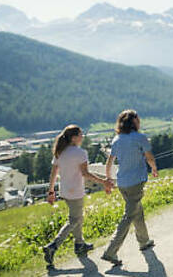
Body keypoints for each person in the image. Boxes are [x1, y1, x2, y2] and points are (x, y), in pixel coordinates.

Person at [42, 125, 114, 268]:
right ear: (74, 137)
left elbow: (54, 173)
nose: (82, 137)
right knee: (75, 219)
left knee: (76, 217)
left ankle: (79, 244)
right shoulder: (80, 153)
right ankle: (53, 245)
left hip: (65, 191)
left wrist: (51, 191)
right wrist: (103, 182)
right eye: (81, 134)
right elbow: (85, 173)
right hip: (76, 191)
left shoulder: (60, 152)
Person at [101, 110, 157, 266]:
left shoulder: (117, 139)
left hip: (123, 183)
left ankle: (144, 241)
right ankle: (110, 251)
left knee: (137, 211)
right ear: (134, 122)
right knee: (129, 216)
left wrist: (108, 178)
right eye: (138, 119)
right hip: (135, 182)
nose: (140, 122)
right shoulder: (140, 137)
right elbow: (149, 156)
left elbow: (109, 162)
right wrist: (154, 168)